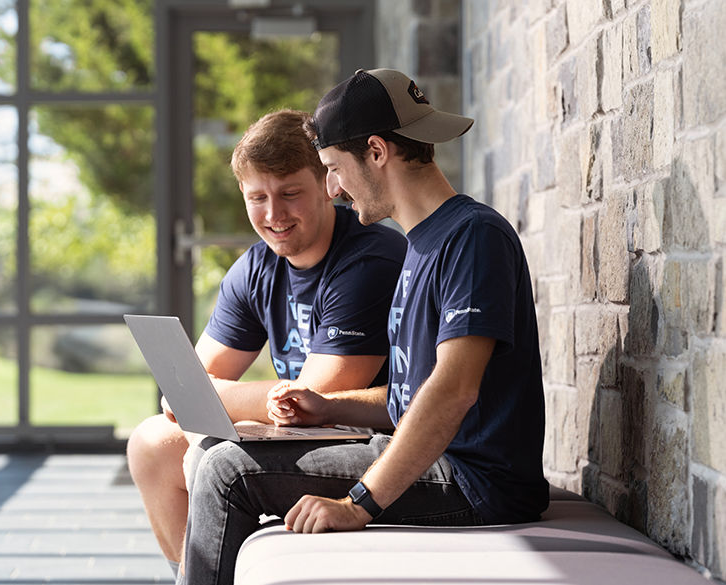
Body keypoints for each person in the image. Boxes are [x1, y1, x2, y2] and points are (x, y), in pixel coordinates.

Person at [179, 69, 548, 585]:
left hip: (474, 480)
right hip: (433, 462)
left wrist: (360, 503)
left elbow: (453, 391)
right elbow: (410, 396)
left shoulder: (472, 236)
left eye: (332, 168)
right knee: (216, 457)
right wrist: (330, 407)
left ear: (377, 151)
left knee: (227, 471)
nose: (333, 188)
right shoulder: (421, 242)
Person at [126, 109, 407, 577]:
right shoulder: (257, 269)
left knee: (210, 458)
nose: (274, 215)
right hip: (296, 434)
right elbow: (190, 384)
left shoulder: (369, 259)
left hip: (370, 441)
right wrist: (215, 398)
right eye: (258, 198)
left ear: (326, 184)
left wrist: (217, 397)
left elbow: (318, 398)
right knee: (153, 444)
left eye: (290, 194)